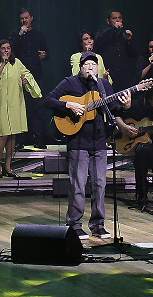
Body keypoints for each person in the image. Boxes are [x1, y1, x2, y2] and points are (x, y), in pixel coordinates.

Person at [43, 52, 116, 240]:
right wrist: (69, 105)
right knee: (78, 184)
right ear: (80, 67)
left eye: (94, 64)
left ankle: (98, 224)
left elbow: (113, 107)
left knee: (100, 184)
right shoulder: (69, 83)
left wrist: (125, 104)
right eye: (87, 64)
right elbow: (48, 100)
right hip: (78, 141)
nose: (90, 67)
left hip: (99, 141)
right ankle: (74, 224)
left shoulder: (103, 84)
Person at [0, 39, 43, 178]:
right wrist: (3, 64)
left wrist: (26, 81)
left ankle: (8, 165)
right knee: (3, 135)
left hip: (15, 103)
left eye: (8, 48)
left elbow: (27, 75)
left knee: (13, 136)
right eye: (3, 48)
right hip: (1, 105)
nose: (6, 50)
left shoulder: (17, 63)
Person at [8, 8, 49, 149]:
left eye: (26, 18)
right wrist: (20, 35)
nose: (24, 21)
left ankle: (39, 139)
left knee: (38, 107)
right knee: (21, 108)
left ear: (31, 18)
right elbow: (11, 51)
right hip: (20, 75)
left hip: (36, 75)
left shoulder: (38, 34)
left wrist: (44, 55)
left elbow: (46, 52)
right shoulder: (15, 34)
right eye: (21, 19)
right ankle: (20, 140)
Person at [95, 10, 135, 91]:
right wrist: (114, 29)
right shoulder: (103, 33)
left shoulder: (124, 35)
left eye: (119, 18)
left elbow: (134, 54)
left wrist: (129, 40)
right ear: (108, 21)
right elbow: (99, 41)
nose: (117, 20)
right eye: (114, 18)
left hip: (124, 76)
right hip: (109, 74)